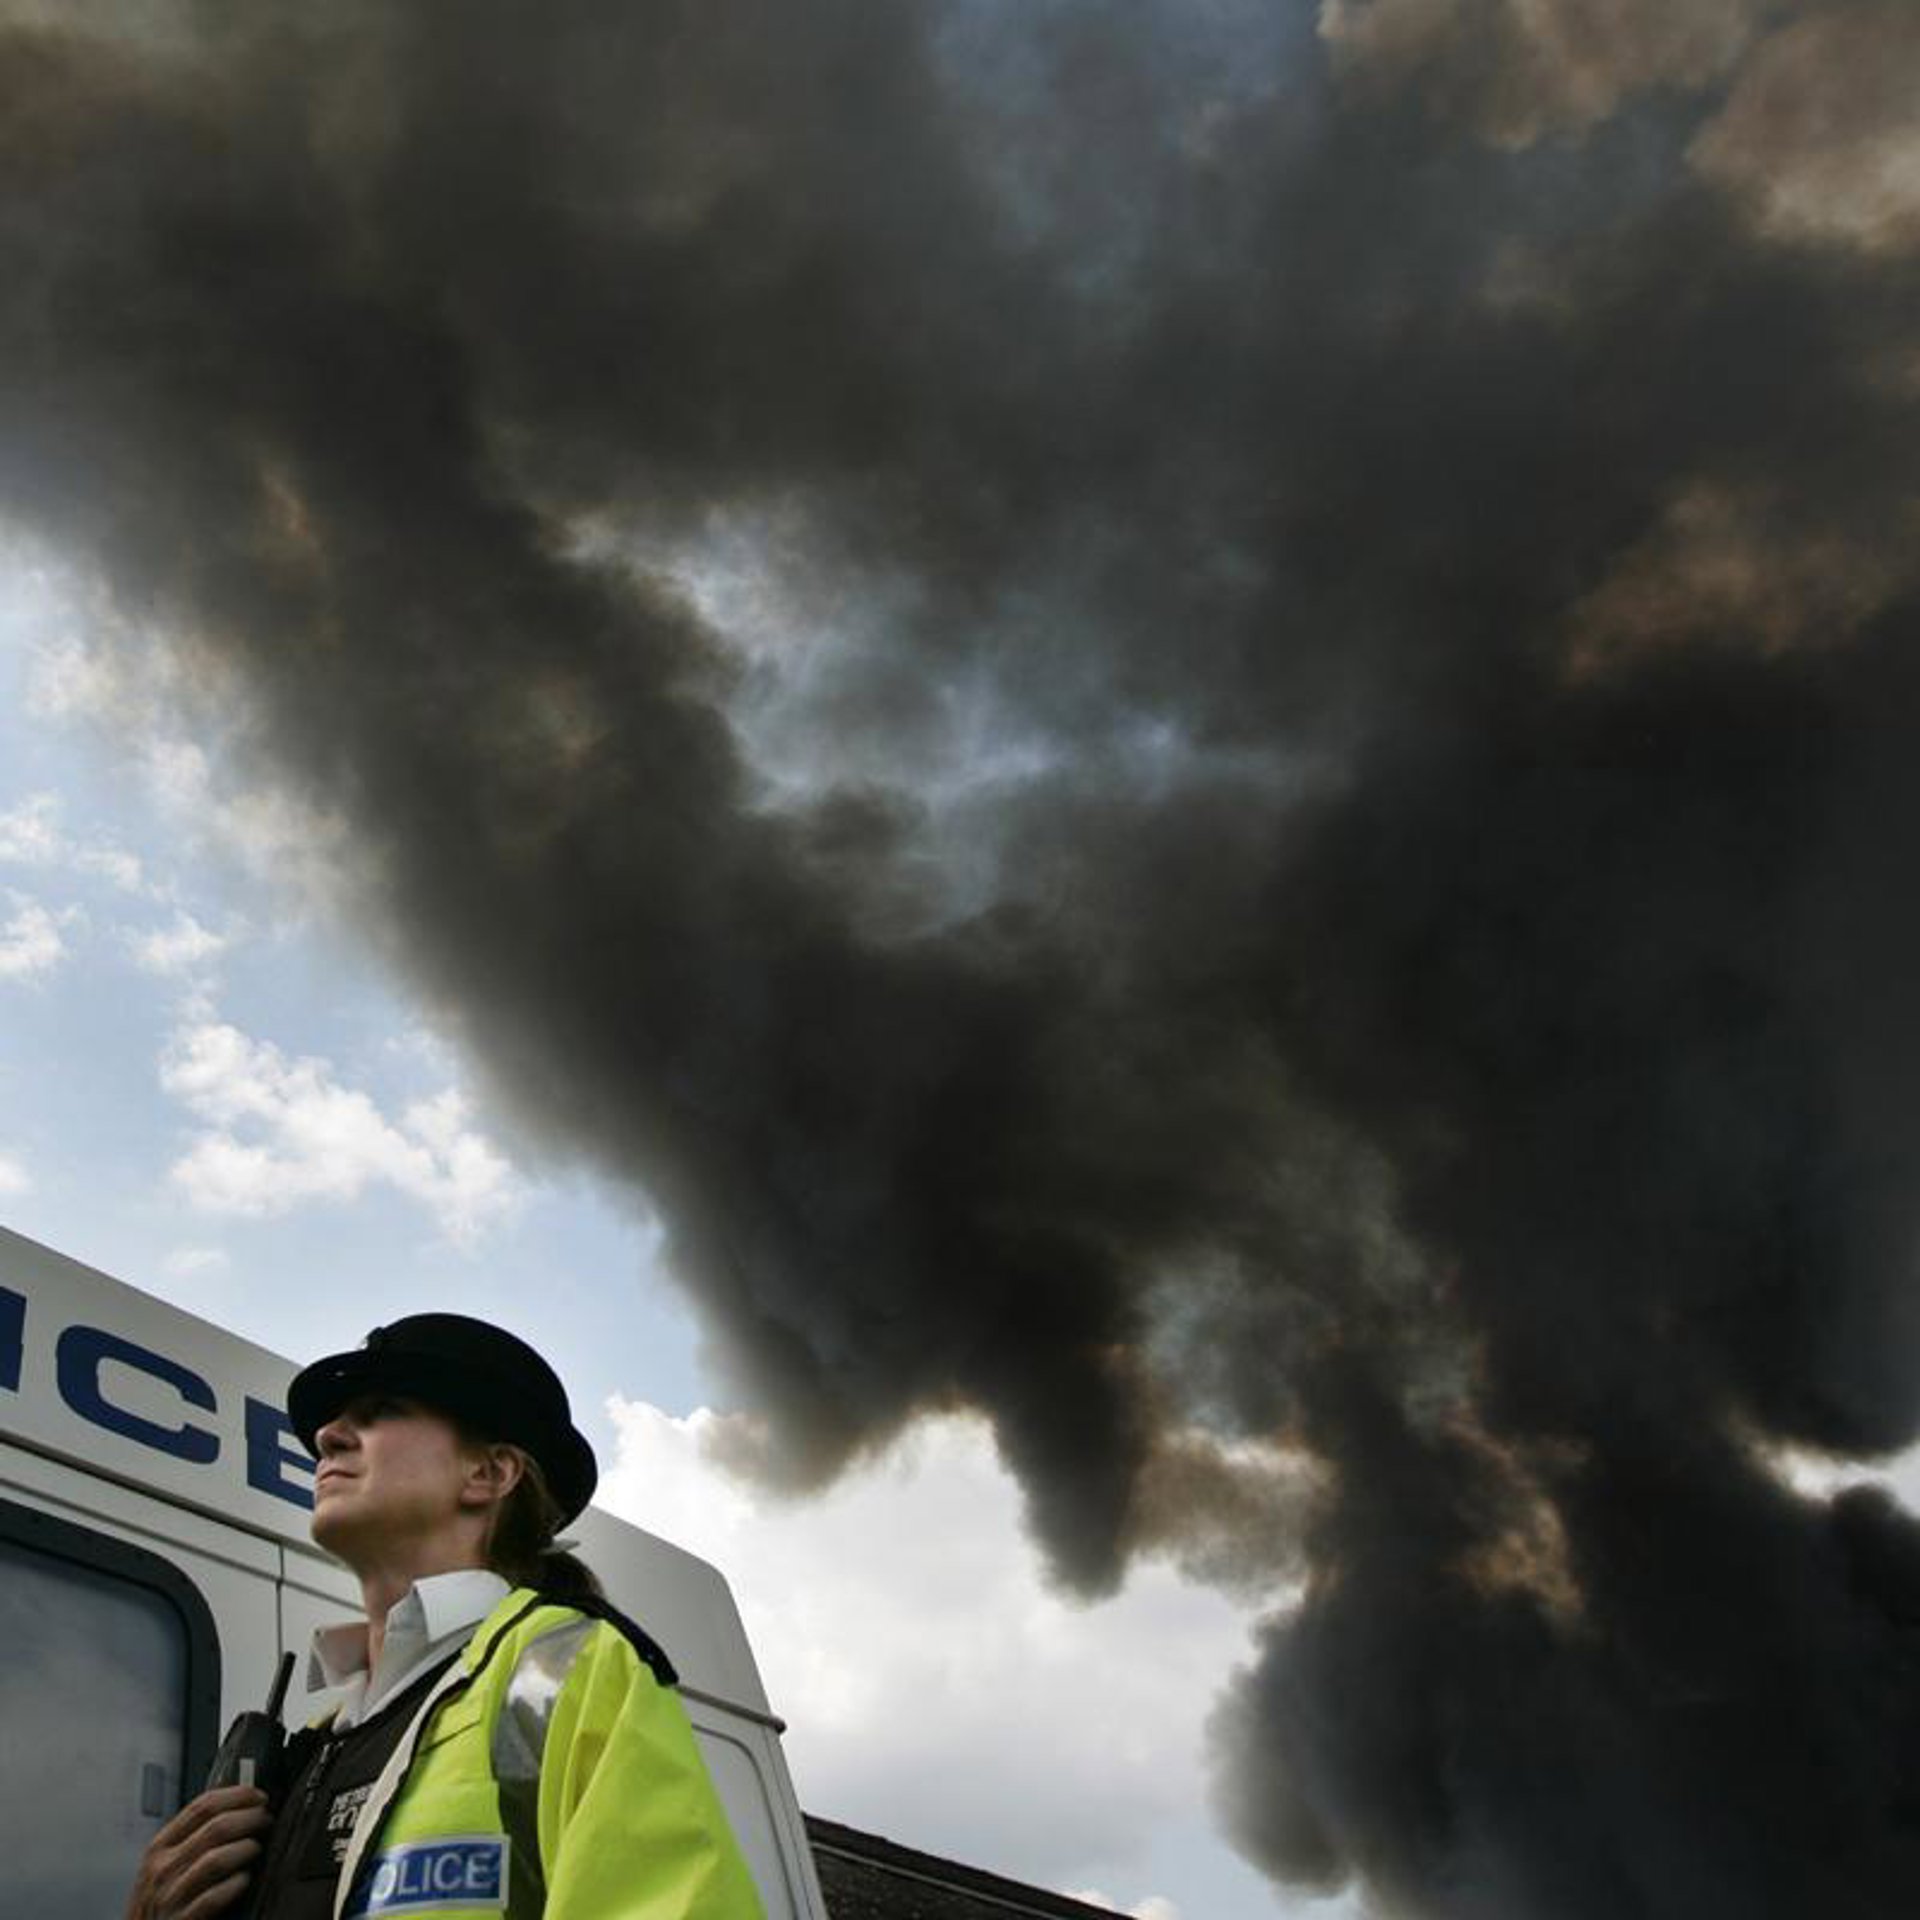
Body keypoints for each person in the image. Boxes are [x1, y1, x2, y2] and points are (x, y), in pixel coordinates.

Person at [125, 1313, 766, 1920]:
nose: (327, 1436)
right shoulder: (318, 1738)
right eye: (337, 1422)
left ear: (489, 1473)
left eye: (381, 1411)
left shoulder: (570, 1669)